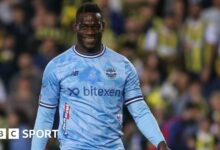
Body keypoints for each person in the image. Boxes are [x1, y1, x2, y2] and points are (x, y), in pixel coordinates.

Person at [31, 2, 170, 150]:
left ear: (103, 26)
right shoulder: (57, 66)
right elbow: (45, 115)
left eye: (95, 26)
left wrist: (160, 142)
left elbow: (140, 111)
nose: (90, 32)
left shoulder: (123, 66)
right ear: (75, 27)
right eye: (84, 26)